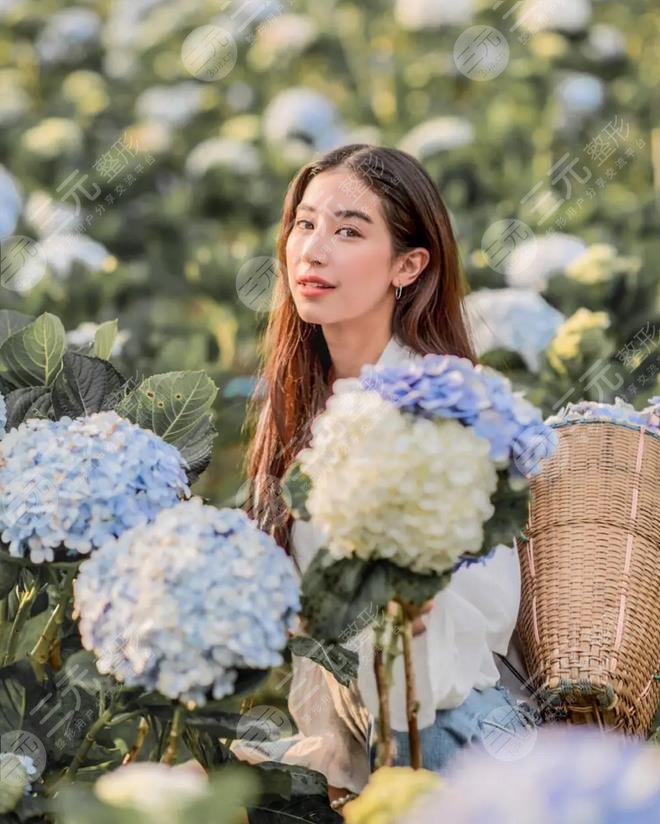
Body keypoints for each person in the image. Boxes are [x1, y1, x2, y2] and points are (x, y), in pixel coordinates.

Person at [240, 144, 536, 814]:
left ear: (409, 264)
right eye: (305, 223)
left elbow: (469, 647)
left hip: (455, 744)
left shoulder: (449, 409)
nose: (313, 251)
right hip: (372, 740)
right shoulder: (302, 402)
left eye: (349, 231)